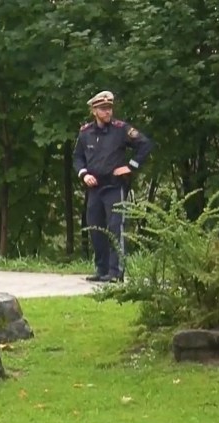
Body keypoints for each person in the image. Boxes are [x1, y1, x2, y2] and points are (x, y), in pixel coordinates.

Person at [73, 90, 153, 282]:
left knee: (115, 227)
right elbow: (78, 157)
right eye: (103, 108)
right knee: (95, 228)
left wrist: (130, 166)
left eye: (109, 108)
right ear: (94, 111)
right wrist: (83, 174)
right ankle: (101, 270)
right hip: (94, 187)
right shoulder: (85, 133)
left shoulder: (121, 129)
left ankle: (116, 272)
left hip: (114, 186)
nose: (107, 112)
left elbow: (145, 144)